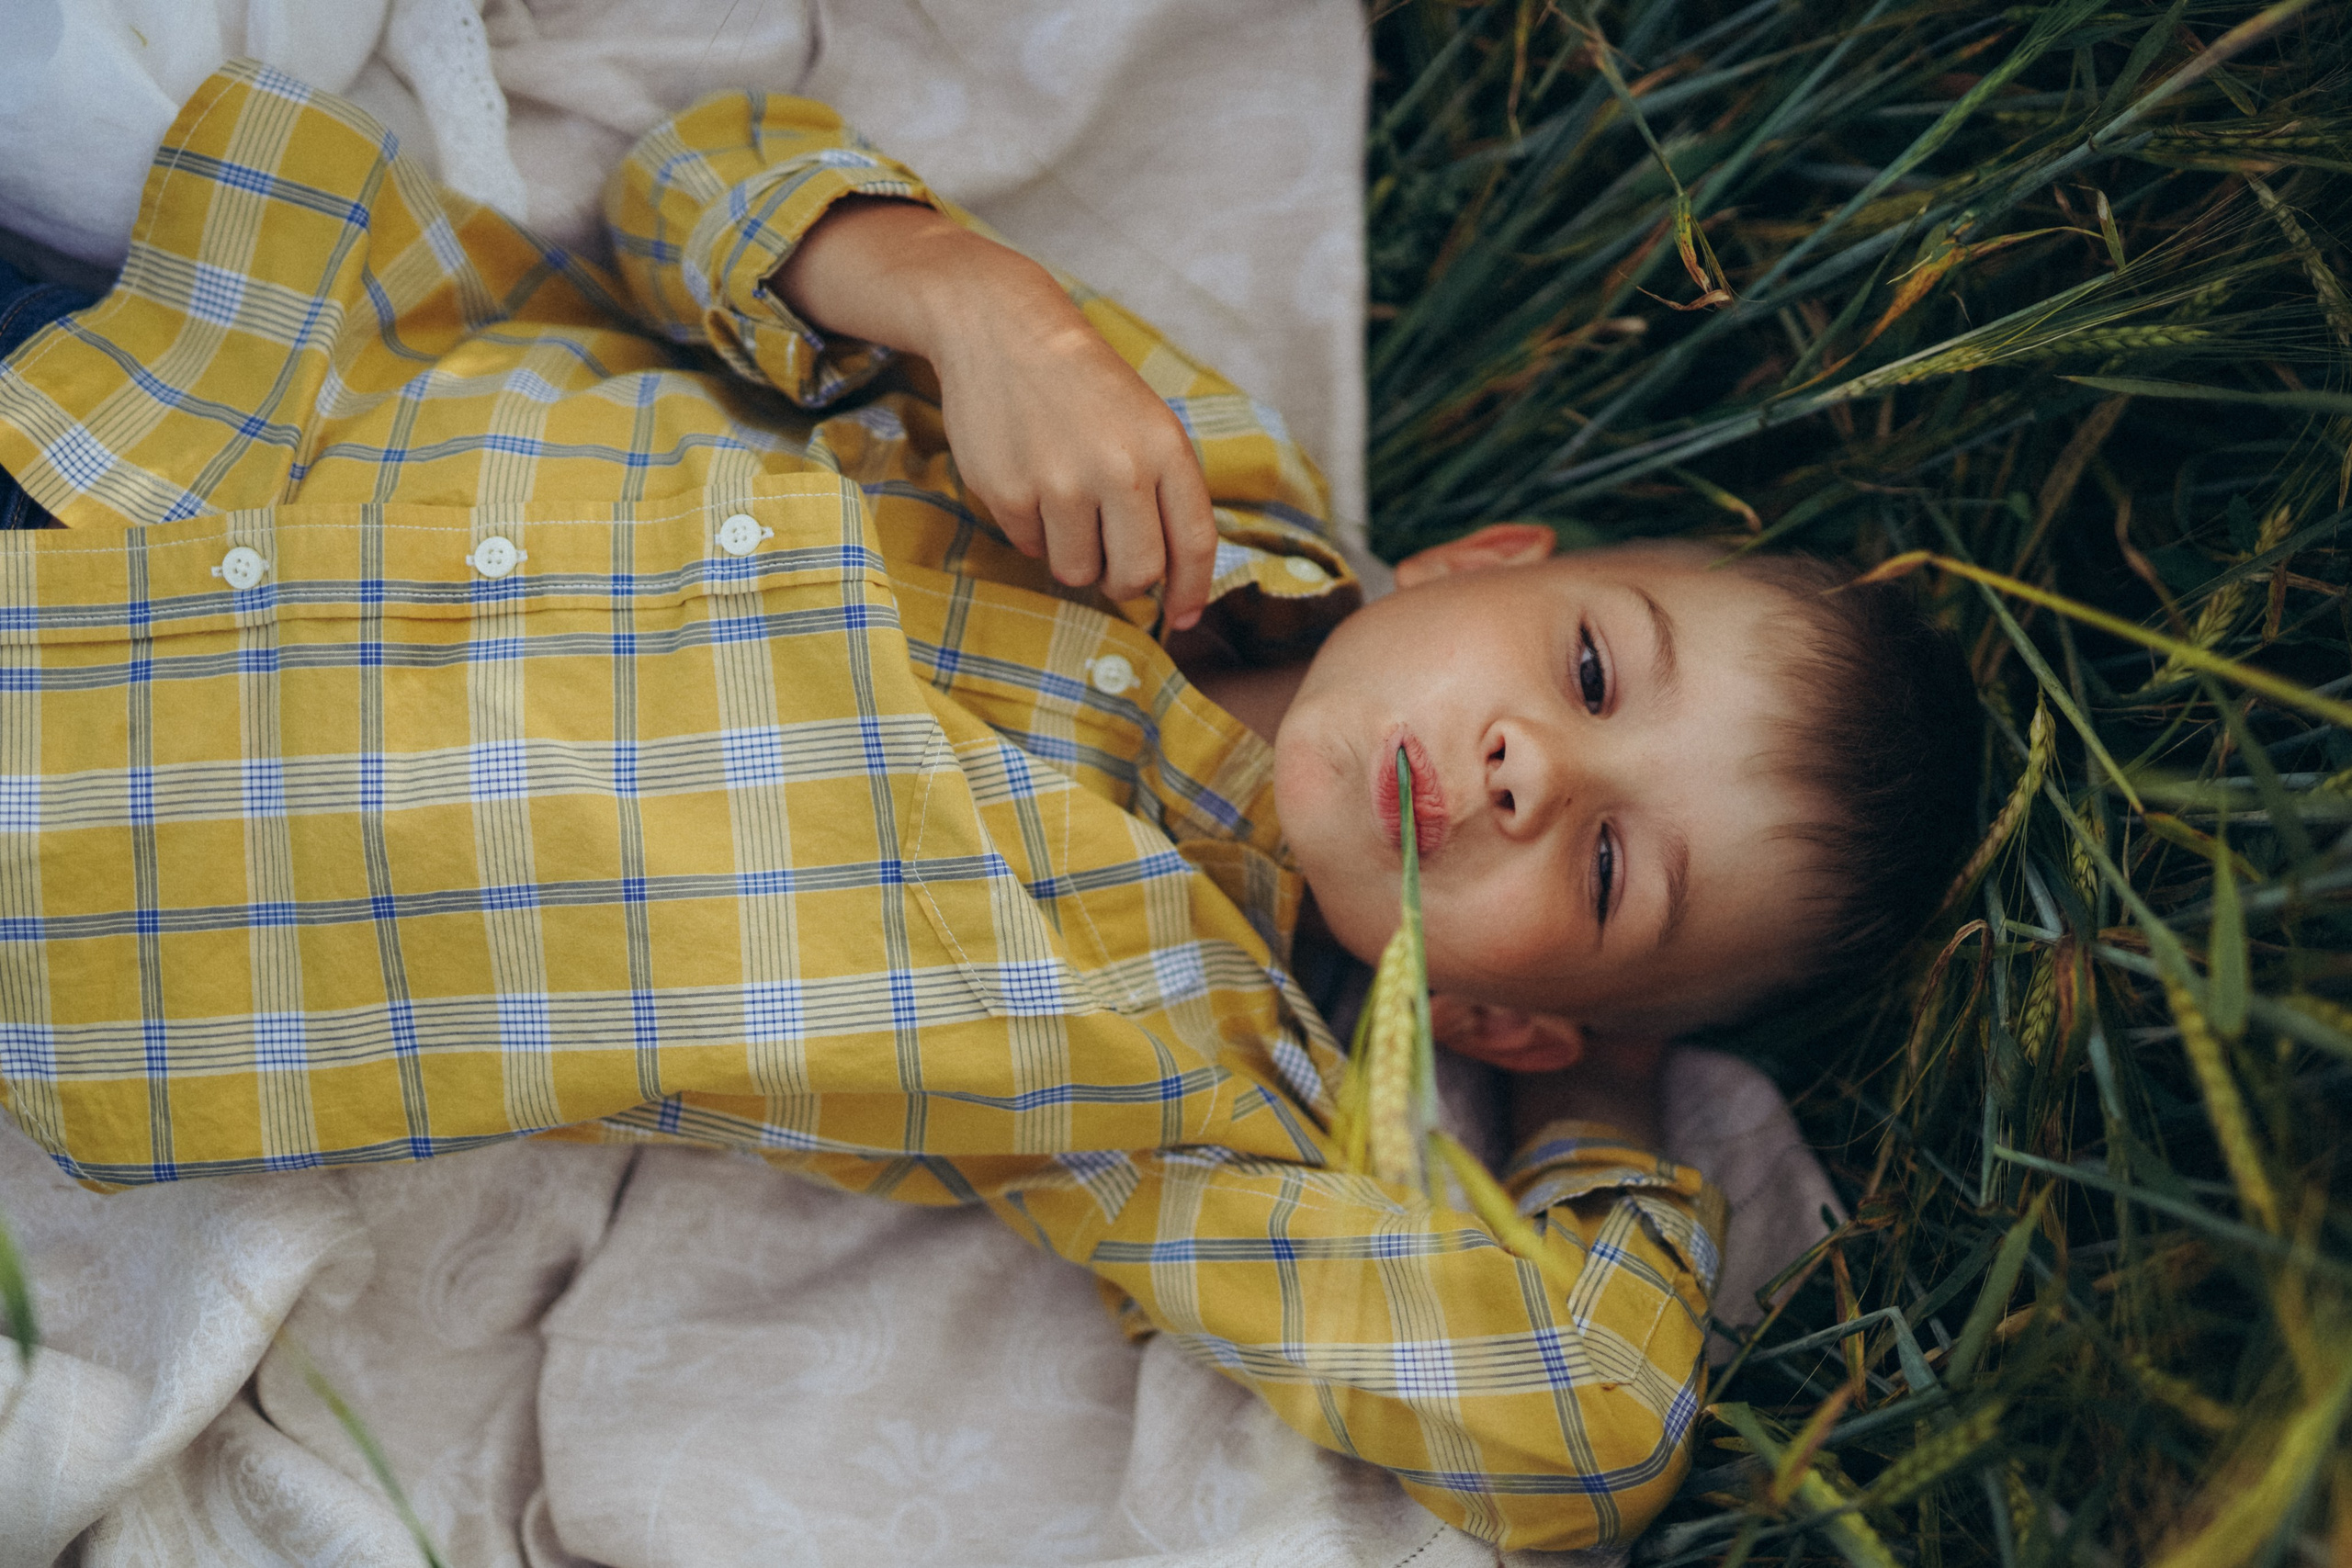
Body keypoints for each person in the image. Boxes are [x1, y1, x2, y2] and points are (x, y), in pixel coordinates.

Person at [0, 64, 1973, 1551]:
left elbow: (1578, 1418)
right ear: (1477, 563)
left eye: (1606, 865)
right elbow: (689, 184)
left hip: (120, 814)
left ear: (1499, 1016)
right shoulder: (1162, 453)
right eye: (1588, 671)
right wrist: (960, 297)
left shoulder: (1165, 1080)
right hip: (183, 393)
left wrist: (1598, 1091)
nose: (1533, 770)